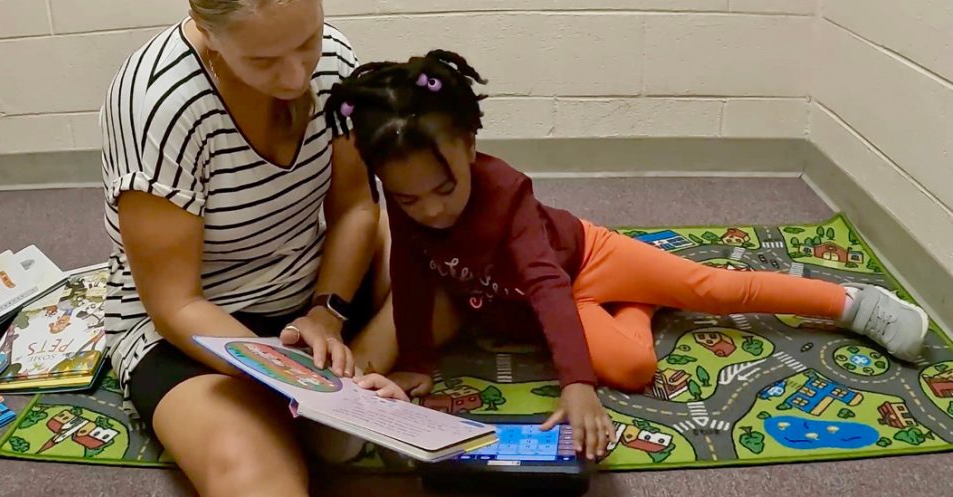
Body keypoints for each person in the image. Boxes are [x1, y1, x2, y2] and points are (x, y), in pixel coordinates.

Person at [324, 49, 930, 461]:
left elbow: (545, 283)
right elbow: (407, 273)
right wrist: (421, 362)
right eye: (408, 198)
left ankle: (850, 303)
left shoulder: (506, 191)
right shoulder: (405, 208)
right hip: (526, 306)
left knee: (713, 288)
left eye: (444, 188)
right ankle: (638, 304)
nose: (429, 210)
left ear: (470, 143)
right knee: (635, 370)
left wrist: (576, 385)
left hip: (583, 260)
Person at [101, 1, 406, 496]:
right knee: (253, 475)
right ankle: (327, 402)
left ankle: (335, 394)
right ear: (206, 29)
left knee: (449, 242)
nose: (295, 75)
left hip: (313, 290)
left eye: (307, 41)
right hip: (197, 325)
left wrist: (327, 312)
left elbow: (355, 208)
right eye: (264, 61)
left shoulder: (333, 58)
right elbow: (176, 303)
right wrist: (293, 377)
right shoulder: (159, 102)